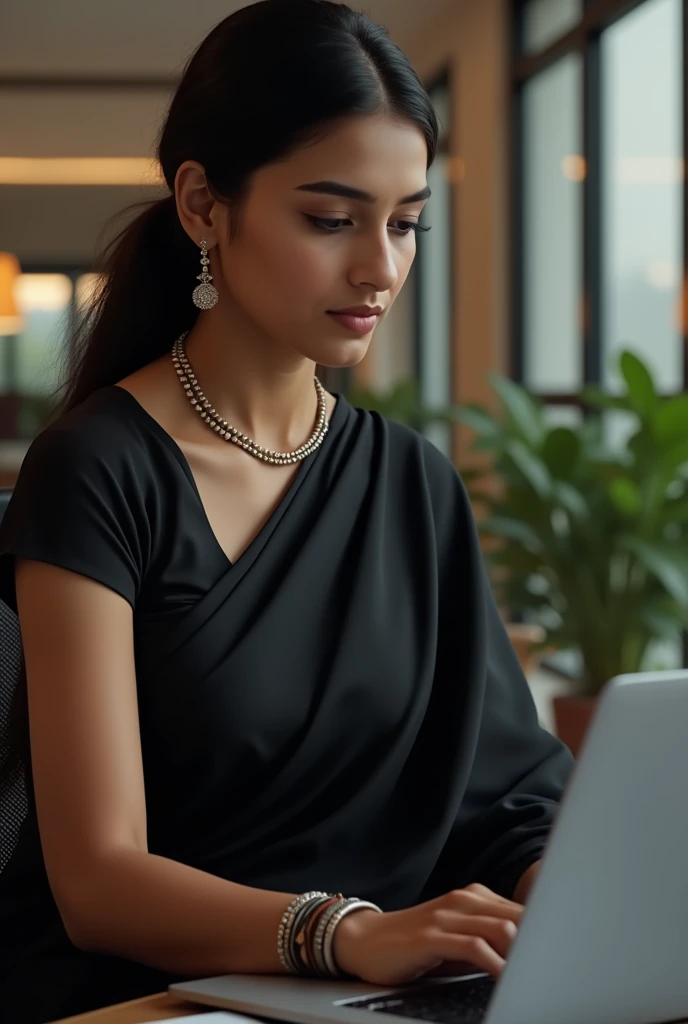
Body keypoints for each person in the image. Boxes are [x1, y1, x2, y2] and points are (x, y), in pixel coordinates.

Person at [0, 2, 573, 1021]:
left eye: (403, 223)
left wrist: (563, 903)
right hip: (163, 999)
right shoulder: (95, 471)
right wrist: (344, 931)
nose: (380, 268)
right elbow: (96, 880)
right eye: (330, 218)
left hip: (386, 993)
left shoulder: (413, 483)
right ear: (201, 206)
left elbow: (507, 794)